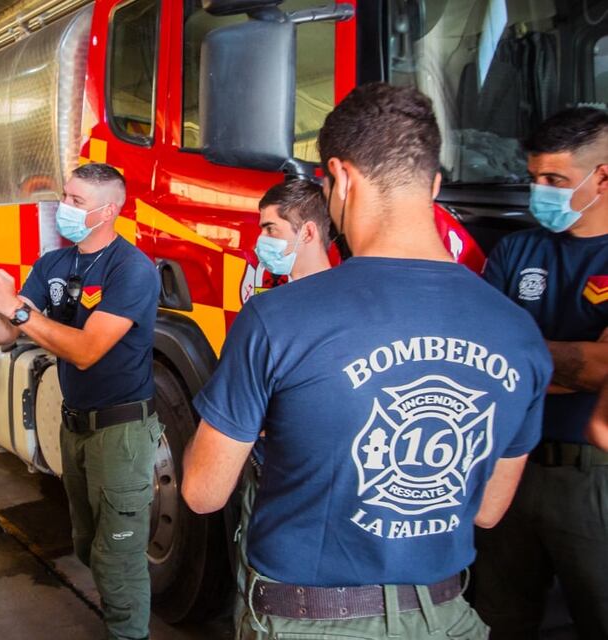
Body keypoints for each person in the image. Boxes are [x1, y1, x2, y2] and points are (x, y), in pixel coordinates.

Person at [181, 83, 552, 640]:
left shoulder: (276, 318)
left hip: (305, 622)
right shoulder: (519, 332)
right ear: (432, 183)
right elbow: (488, 510)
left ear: (342, 178)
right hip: (448, 617)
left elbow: (203, 491)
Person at [0, 162, 161, 640]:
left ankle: (129, 633)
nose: (63, 208)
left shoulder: (132, 270)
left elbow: (86, 351)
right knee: (87, 542)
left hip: (121, 433)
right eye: (66, 197)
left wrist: (15, 307)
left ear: (108, 210)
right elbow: (8, 334)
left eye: (75, 201)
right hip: (75, 427)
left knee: (118, 555)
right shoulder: (53, 263)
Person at [473, 107, 608, 639]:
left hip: (590, 474)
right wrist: (575, 360)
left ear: (602, 175)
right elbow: (479, 362)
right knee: (499, 621)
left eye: (556, 180)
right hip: (508, 467)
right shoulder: (516, 250)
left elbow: (602, 371)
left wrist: (517, 358)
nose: (541, 192)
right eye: (534, 179)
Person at [232, 178, 333, 629]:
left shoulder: (333, 306)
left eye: (271, 229)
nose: (261, 241)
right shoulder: (273, 303)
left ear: (308, 233)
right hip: (263, 473)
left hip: (299, 489)